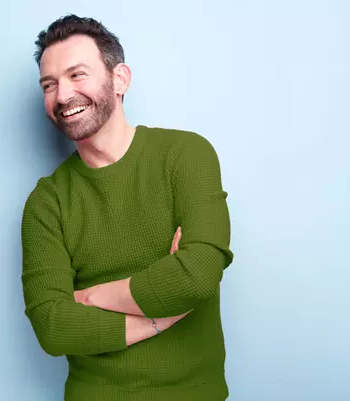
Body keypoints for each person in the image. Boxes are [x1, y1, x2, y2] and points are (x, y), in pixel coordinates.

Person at [20, 14, 236, 400]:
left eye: (77, 75)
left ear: (120, 79)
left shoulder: (185, 156)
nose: (63, 95)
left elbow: (197, 276)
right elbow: (52, 326)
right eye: (49, 85)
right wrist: (159, 318)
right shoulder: (46, 202)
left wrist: (90, 297)